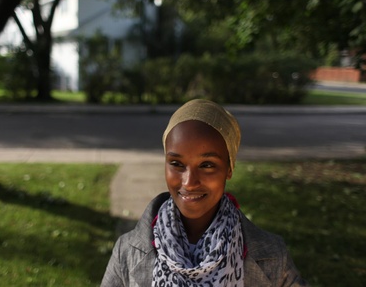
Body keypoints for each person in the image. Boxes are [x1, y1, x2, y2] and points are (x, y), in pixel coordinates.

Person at [101, 99, 308, 287]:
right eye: (176, 163)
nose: (189, 182)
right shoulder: (127, 252)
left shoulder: (271, 255)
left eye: (207, 165)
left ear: (229, 168)